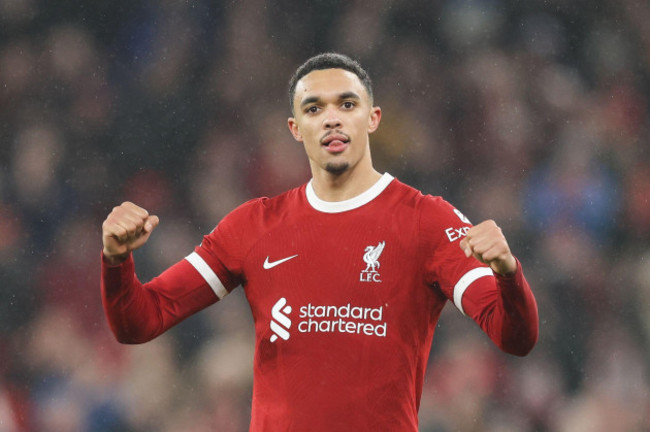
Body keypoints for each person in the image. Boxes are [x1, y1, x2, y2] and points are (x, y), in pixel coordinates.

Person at [101, 52, 538, 431]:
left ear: (373, 118)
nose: (331, 117)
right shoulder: (254, 226)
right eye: (314, 108)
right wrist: (116, 260)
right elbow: (141, 321)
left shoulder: (426, 221)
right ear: (295, 127)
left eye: (347, 104)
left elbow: (514, 336)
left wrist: (508, 272)